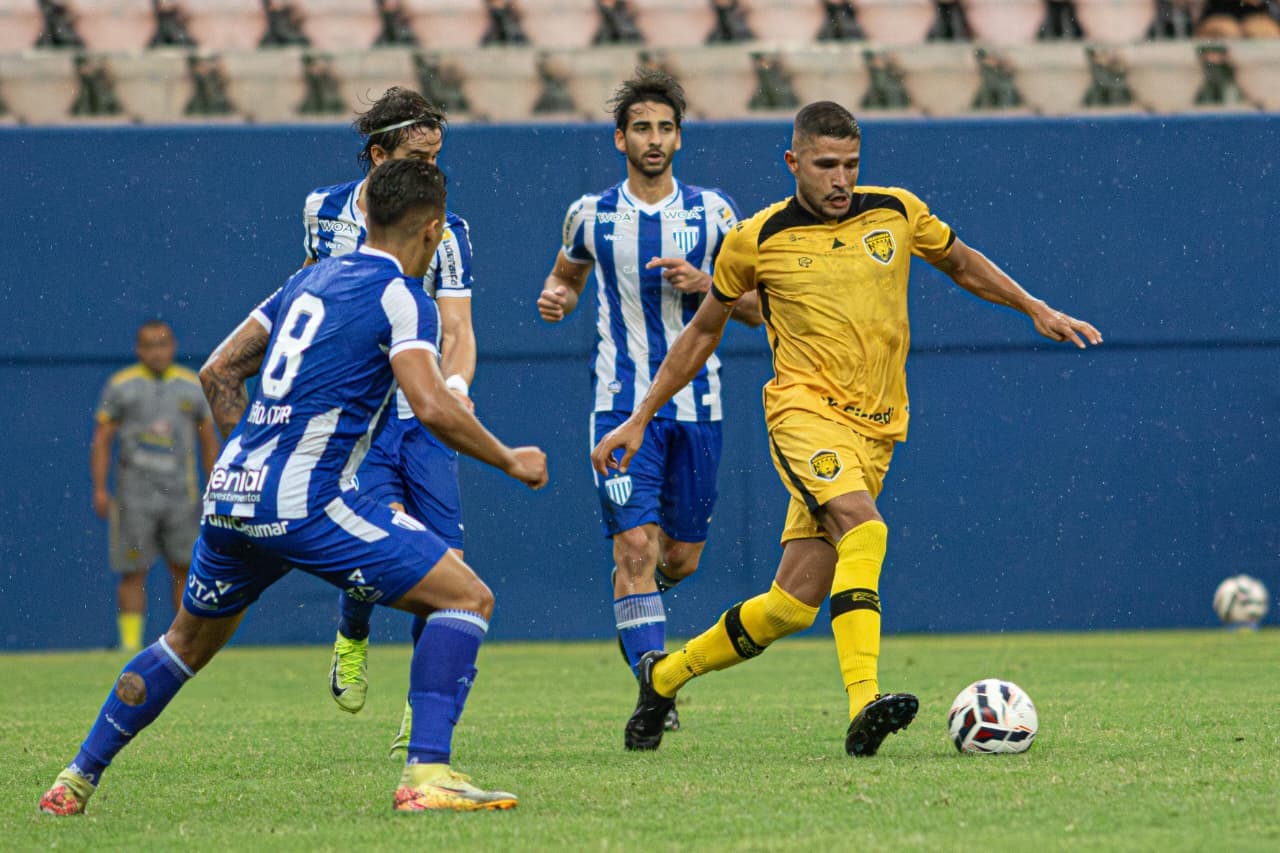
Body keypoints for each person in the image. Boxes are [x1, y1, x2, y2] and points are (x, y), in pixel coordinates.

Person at [39, 158, 548, 817]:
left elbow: (220, 370)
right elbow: (431, 404)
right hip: (305, 497)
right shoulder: (403, 297)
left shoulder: (308, 280)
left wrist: (252, 459)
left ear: (364, 216)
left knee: (184, 642)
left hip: (232, 490)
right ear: (433, 231)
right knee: (466, 597)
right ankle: (427, 772)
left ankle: (76, 778)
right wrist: (511, 459)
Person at [591, 100, 1102, 755]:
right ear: (793, 162)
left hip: (878, 428)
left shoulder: (895, 210)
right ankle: (865, 701)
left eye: (850, 165)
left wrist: (1034, 305)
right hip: (803, 412)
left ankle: (661, 677)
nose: (840, 179)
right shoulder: (756, 238)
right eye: (826, 165)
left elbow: (962, 260)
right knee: (865, 526)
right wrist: (640, 417)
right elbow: (703, 330)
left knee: (791, 604)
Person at [537, 70, 760, 733]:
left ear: (679, 139)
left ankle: (637, 611)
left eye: (665, 128)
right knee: (634, 548)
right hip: (619, 406)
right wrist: (557, 297)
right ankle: (652, 684)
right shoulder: (590, 214)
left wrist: (708, 284)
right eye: (642, 128)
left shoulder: (717, 214)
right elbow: (566, 272)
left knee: (679, 559)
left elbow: (756, 308)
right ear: (620, 139)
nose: (654, 139)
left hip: (700, 406)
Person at [303, 88, 477, 756]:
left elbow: (459, 327)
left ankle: (423, 710)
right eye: (418, 158)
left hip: (427, 417)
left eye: (439, 160)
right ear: (379, 156)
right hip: (360, 421)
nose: (433, 174)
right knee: (377, 553)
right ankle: (353, 630)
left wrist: (454, 386)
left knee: (450, 568)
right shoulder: (323, 211)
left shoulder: (448, 229)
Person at [91, 320, 219, 653]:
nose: (157, 352)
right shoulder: (122, 386)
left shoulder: (191, 385)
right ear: (138, 350)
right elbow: (102, 439)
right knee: (133, 570)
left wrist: (216, 486)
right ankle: (129, 644)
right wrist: (100, 489)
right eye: (149, 345)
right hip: (135, 498)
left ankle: (183, 644)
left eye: (163, 344)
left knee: (186, 568)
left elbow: (208, 440)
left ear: (173, 347)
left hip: (182, 497)